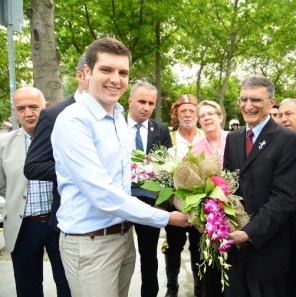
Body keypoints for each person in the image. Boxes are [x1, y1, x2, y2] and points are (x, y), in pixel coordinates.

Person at [51, 37, 189, 297]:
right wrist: (166, 217)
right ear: (88, 72)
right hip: (90, 244)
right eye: (106, 70)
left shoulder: (116, 116)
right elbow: (102, 193)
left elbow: (127, 178)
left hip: (123, 238)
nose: (116, 79)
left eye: (123, 72)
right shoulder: (73, 121)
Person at [223, 75, 296, 297]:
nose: (248, 106)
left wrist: (248, 232)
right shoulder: (233, 138)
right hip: (234, 252)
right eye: (243, 99)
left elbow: (285, 199)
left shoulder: (288, 140)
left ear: (271, 102)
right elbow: (227, 185)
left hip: (267, 250)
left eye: (256, 100)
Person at [0, 87, 71, 297]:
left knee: (68, 286)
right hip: (24, 227)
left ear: (46, 107)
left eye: (33, 106)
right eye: (21, 108)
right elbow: (3, 185)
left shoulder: (63, 139)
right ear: (15, 111)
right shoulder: (4, 144)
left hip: (59, 224)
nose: (28, 113)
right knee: (27, 289)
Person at [24, 52, 88, 231]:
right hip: (68, 221)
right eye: (102, 71)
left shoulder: (114, 115)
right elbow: (32, 167)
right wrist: (78, 168)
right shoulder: (54, 115)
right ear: (80, 75)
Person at [127, 79, 172, 297]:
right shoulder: (114, 126)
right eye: (141, 101)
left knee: (148, 256)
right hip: (120, 199)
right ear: (130, 101)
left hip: (150, 202)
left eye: (151, 103)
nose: (146, 107)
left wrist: (162, 204)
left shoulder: (161, 130)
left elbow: (168, 169)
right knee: (118, 255)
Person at [164, 93, 205, 297]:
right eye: (183, 111)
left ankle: (200, 287)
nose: (188, 114)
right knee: (173, 247)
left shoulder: (205, 135)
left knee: (199, 248)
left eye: (191, 110)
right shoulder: (168, 137)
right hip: (174, 204)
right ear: (176, 115)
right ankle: (172, 287)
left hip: (201, 203)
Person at [192, 100, 229, 297]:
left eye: (211, 113)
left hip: (235, 215)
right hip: (209, 218)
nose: (206, 118)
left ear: (220, 116)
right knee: (212, 271)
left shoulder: (235, 140)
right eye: (202, 116)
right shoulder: (195, 149)